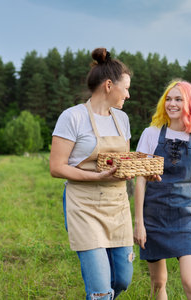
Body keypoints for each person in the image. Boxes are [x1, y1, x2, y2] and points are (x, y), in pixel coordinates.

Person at [50, 48, 135, 299]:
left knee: (122, 279)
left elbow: (123, 162)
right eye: (126, 88)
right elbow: (57, 167)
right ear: (109, 85)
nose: (128, 95)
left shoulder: (122, 119)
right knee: (100, 291)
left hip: (117, 205)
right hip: (84, 206)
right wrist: (96, 177)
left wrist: (140, 172)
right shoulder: (72, 117)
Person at [133, 79, 191, 299]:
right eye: (168, 99)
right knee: (158, 283)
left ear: (190, 104)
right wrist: (139, 223)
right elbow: (140, 181)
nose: (172, 103)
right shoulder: (151, 134)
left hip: (186, 218)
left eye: (178, 99)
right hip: (154, 217)